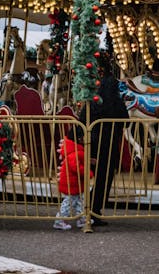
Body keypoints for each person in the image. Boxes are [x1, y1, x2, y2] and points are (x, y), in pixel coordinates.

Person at [88, 60, 129, 227]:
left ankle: (86, 209)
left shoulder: (94, 101)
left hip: (92, 143)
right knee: (104, 180)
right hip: (109, 144)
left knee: (92, 178)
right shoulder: (116, 102)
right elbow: (126, 121)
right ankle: (94, 211)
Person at [54, 125, 91, 230]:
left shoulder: (74, 149)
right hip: (71, 183)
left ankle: (81, 218)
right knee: (69, 202)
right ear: (79, 138)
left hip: (75, 182)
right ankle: (59, 220)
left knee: (80, 201)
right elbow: (76, 167)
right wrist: (88, 172)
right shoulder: (74, 152)